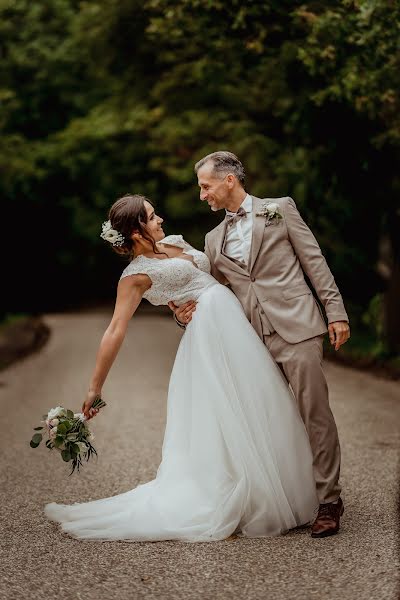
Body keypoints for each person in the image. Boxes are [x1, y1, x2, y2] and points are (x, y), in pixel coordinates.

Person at [45, 193, 319, 542]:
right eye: (151, 216)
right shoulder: (134, 276)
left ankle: (280, 486)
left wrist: (177, 308)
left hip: (234, 324)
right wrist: (94, 387)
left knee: (258, 403)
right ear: (135, 231)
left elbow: (207, 277)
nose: (160, 219)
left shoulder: (174, 242)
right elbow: (115, 329)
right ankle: (244, 496)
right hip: (208, 336)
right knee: (224, 415)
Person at [170, 151, 350, 538]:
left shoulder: (279, 209)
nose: (202, 195)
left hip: (298, 327)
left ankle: (329, 500)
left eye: (205, 186)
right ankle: (285, 498)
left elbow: (314, 261)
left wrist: (335, 311)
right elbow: (212, 291)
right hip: (250, 339)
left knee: (314, 412)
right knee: (266, 421)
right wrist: (183, 314)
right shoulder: (213, 239)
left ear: (228, 180)